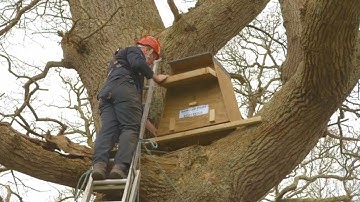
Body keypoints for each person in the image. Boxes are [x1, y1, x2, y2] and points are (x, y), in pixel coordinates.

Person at [92, 35, 168, 180]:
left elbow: (133, 108)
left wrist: (153, 130)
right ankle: (120, 167)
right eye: (153, 58)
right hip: (123, 89)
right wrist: (155, 77)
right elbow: (138, 64)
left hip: (107, 95)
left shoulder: (121, 64)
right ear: (147, 50)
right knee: (130, 128)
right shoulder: (133, 51)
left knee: (108, 130)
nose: (151, 63)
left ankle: (99, 165)